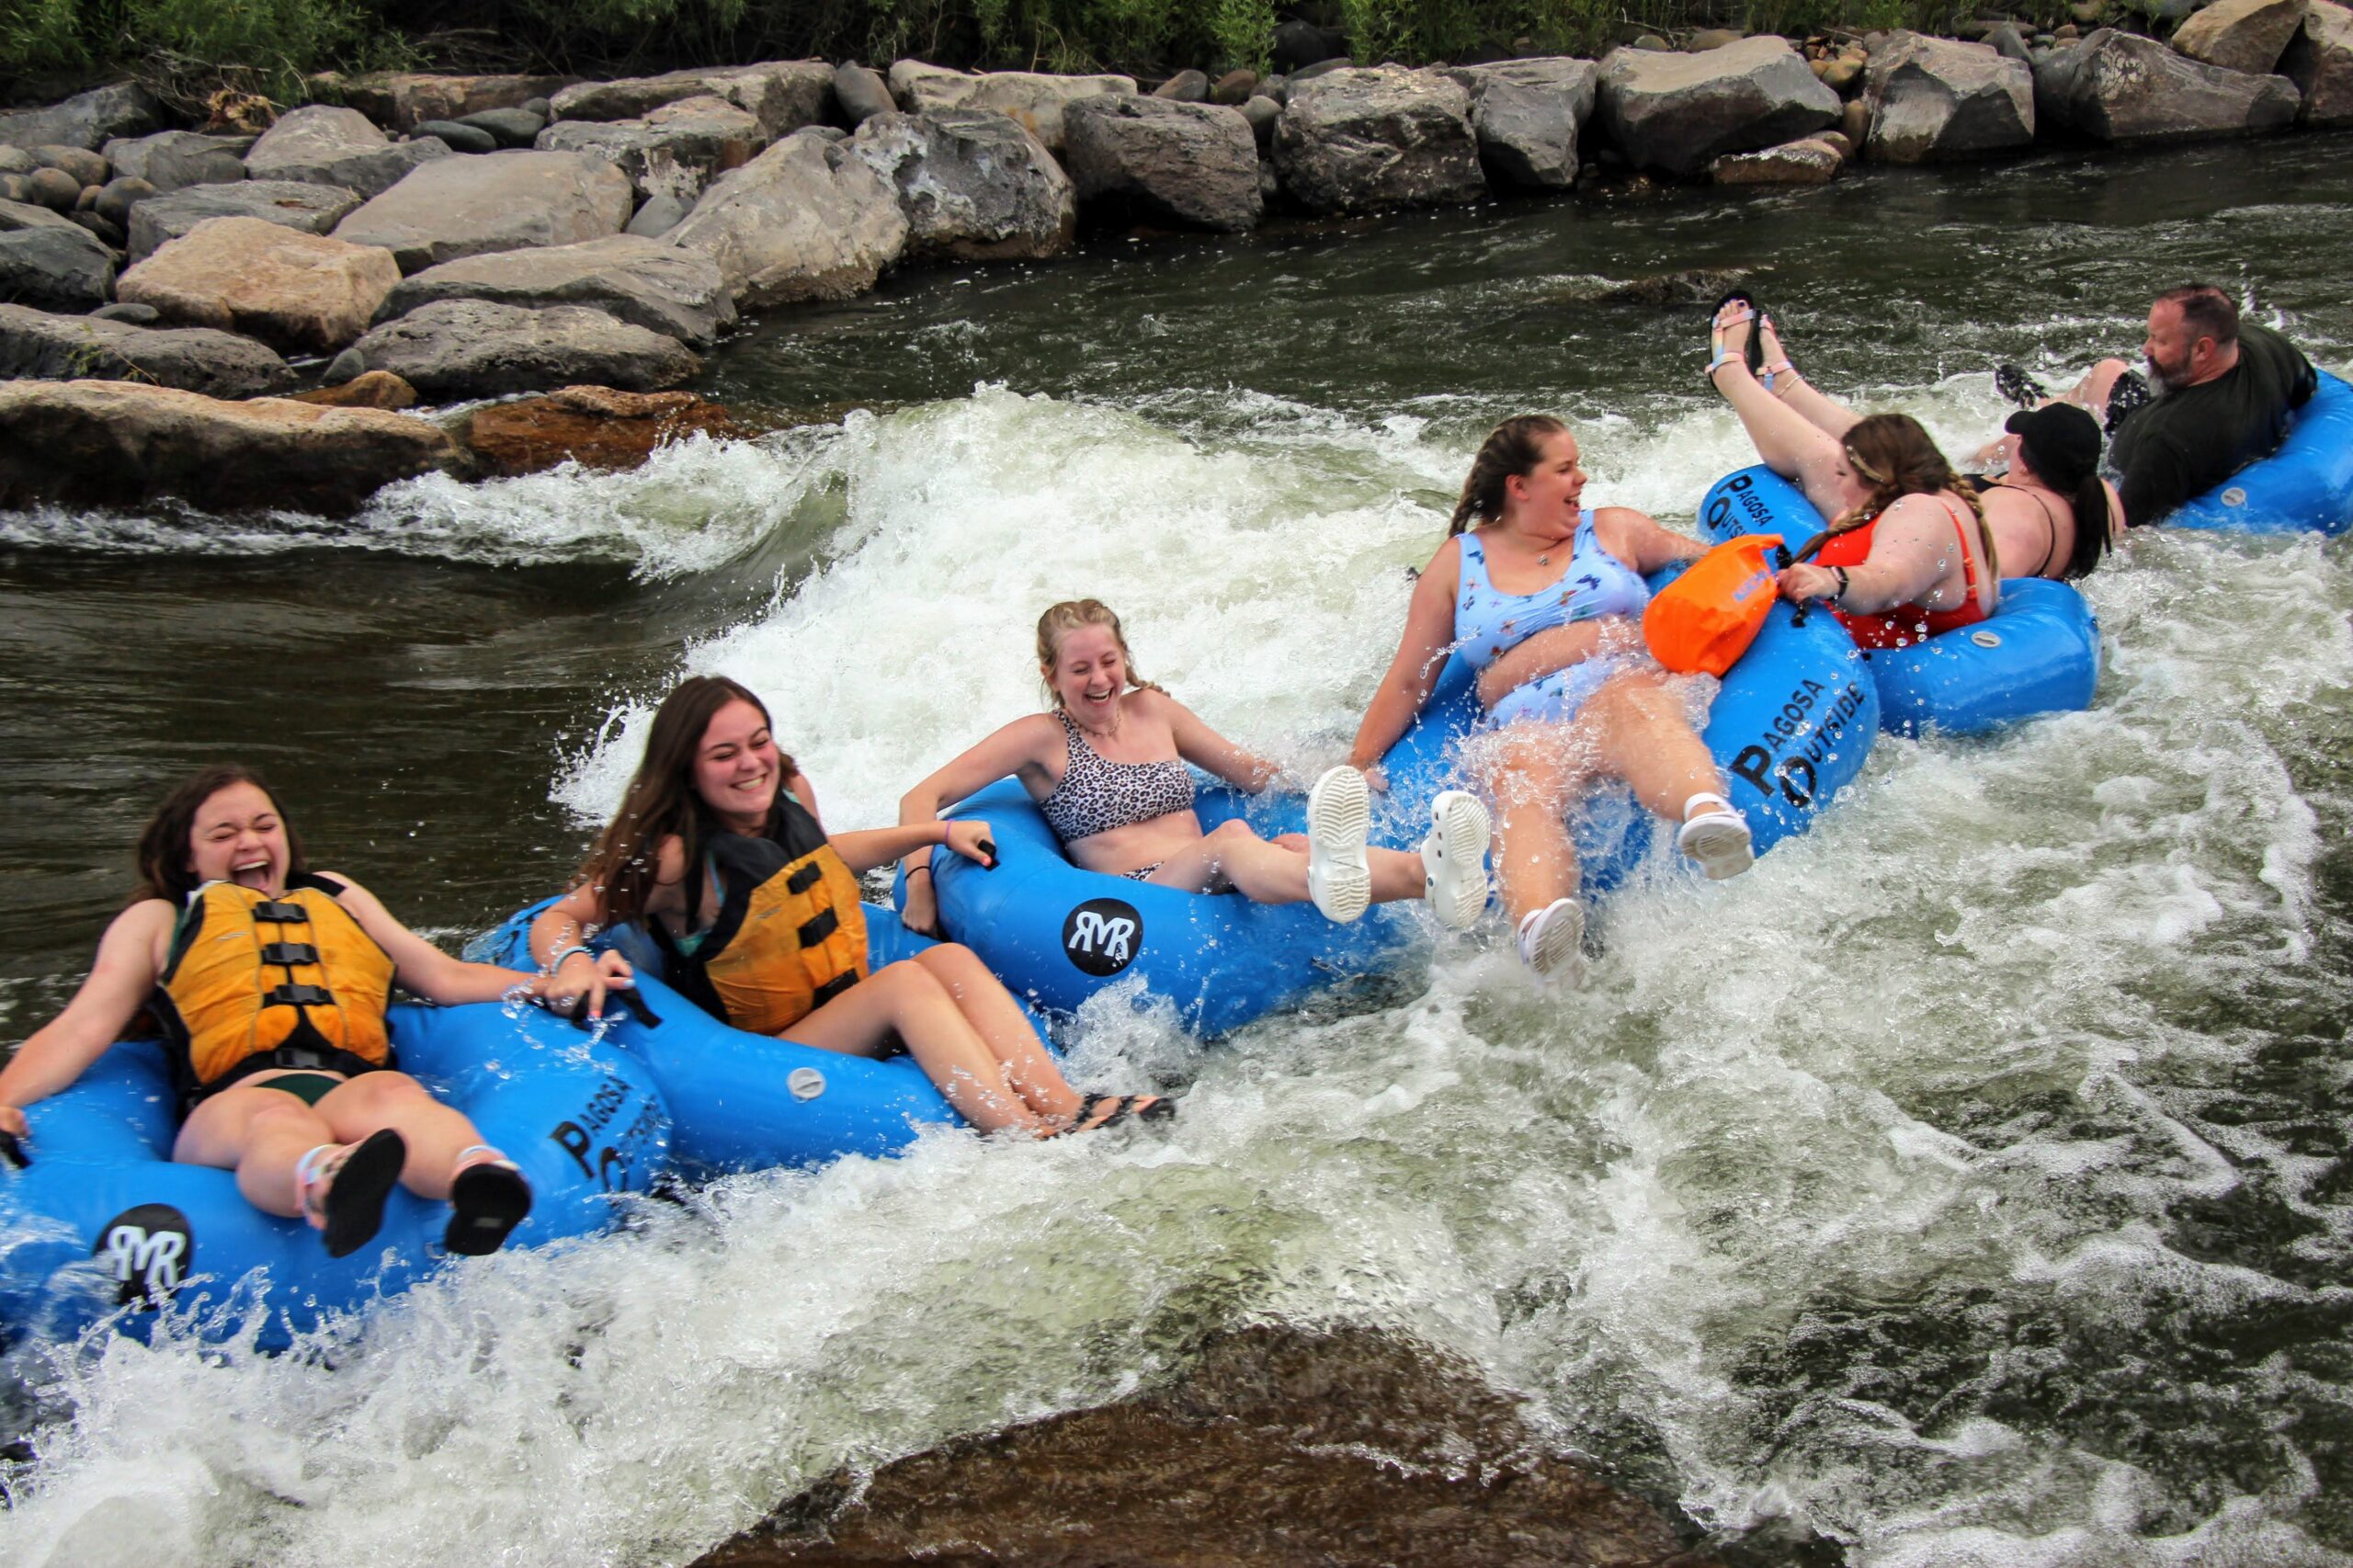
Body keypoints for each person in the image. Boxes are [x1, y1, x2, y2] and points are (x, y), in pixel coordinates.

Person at [529, 676, 1167, 1137]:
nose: (752, 764)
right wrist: (570, 965)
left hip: (832, 1000)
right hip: (768, 1047)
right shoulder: (673, 858)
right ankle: (1025, 1136)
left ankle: (1060, 1104)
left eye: (759, 743)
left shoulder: (789, 788)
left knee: (947, 958)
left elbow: (822, 858)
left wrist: (936, 832)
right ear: (687, 769)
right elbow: (561, 917)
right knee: (905, 984)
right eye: (725, 755)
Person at [0, 765, 584, 1258]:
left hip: (342, 1084)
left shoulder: (334, 895)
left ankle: (476, 1177)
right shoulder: (160, 920)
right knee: (274, 1121)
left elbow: (442, 976)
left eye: (263, 826)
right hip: (232, 1103)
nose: (249, 843)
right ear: (187, 859)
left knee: (395, 1098)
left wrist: (549, 983)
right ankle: (326, 1181)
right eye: (224, 834)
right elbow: (83, 1025)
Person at [1346, 416, 1756, 984]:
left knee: (1635, 712)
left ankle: (1706, 815)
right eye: (1564, 469)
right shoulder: (1458, 564)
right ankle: (1542, 925)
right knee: (1519, 780)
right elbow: (1411, 679)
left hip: (1617, 682)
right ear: (1520, 486)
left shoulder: (1615, 531)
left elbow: (1713, 567)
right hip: (1526, 717)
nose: (1581, 478)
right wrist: (1360, 761)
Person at [897, 599, 1494, 938]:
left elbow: (1248, 772)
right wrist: (921, 884)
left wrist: (1336, 770)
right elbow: (920, 798)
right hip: (1132, 901)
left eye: (1108, 661)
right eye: (1080, 670)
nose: (1099, 679)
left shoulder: (1155, 711)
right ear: (1051, 675)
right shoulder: (1040, 740)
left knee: (1288, 841)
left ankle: (1433, 874)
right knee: (1233, 840)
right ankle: (1333, 877)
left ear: (1125, 658)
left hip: (1209, 872)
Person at [1706, 297, 2000, 646]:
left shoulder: (1921, 514)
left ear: (1876, 480)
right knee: (1836, 453)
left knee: (1819, 459)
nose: (1839, 482)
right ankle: (1786, 386)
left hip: (1897, 657)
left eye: (1844, 476)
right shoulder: (1933, 486)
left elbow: (1887, 581)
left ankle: (1732, 376)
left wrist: (1832, 581)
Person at [1744, 308, 2119, 581]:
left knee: (1825, 457)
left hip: (1898, 538)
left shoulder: (2019, 515)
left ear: (2026, 459)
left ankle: (1737, 381)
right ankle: (1788, 385)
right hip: (1923, 506)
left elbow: (1980, 578)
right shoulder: (2096, 494)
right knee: (1889, 442)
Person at [2003, 284, 2317, 528]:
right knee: (2109, 371)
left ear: (2203, 349)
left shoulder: (2172, 439)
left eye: (2160, 341)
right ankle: (2040, 402)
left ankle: (2030, 416)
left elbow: (2121, 529)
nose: (2146, 348)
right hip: (2142, 422)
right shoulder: (2267, 346)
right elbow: (2309, 391)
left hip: (2110, 463)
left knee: (2014, 443)